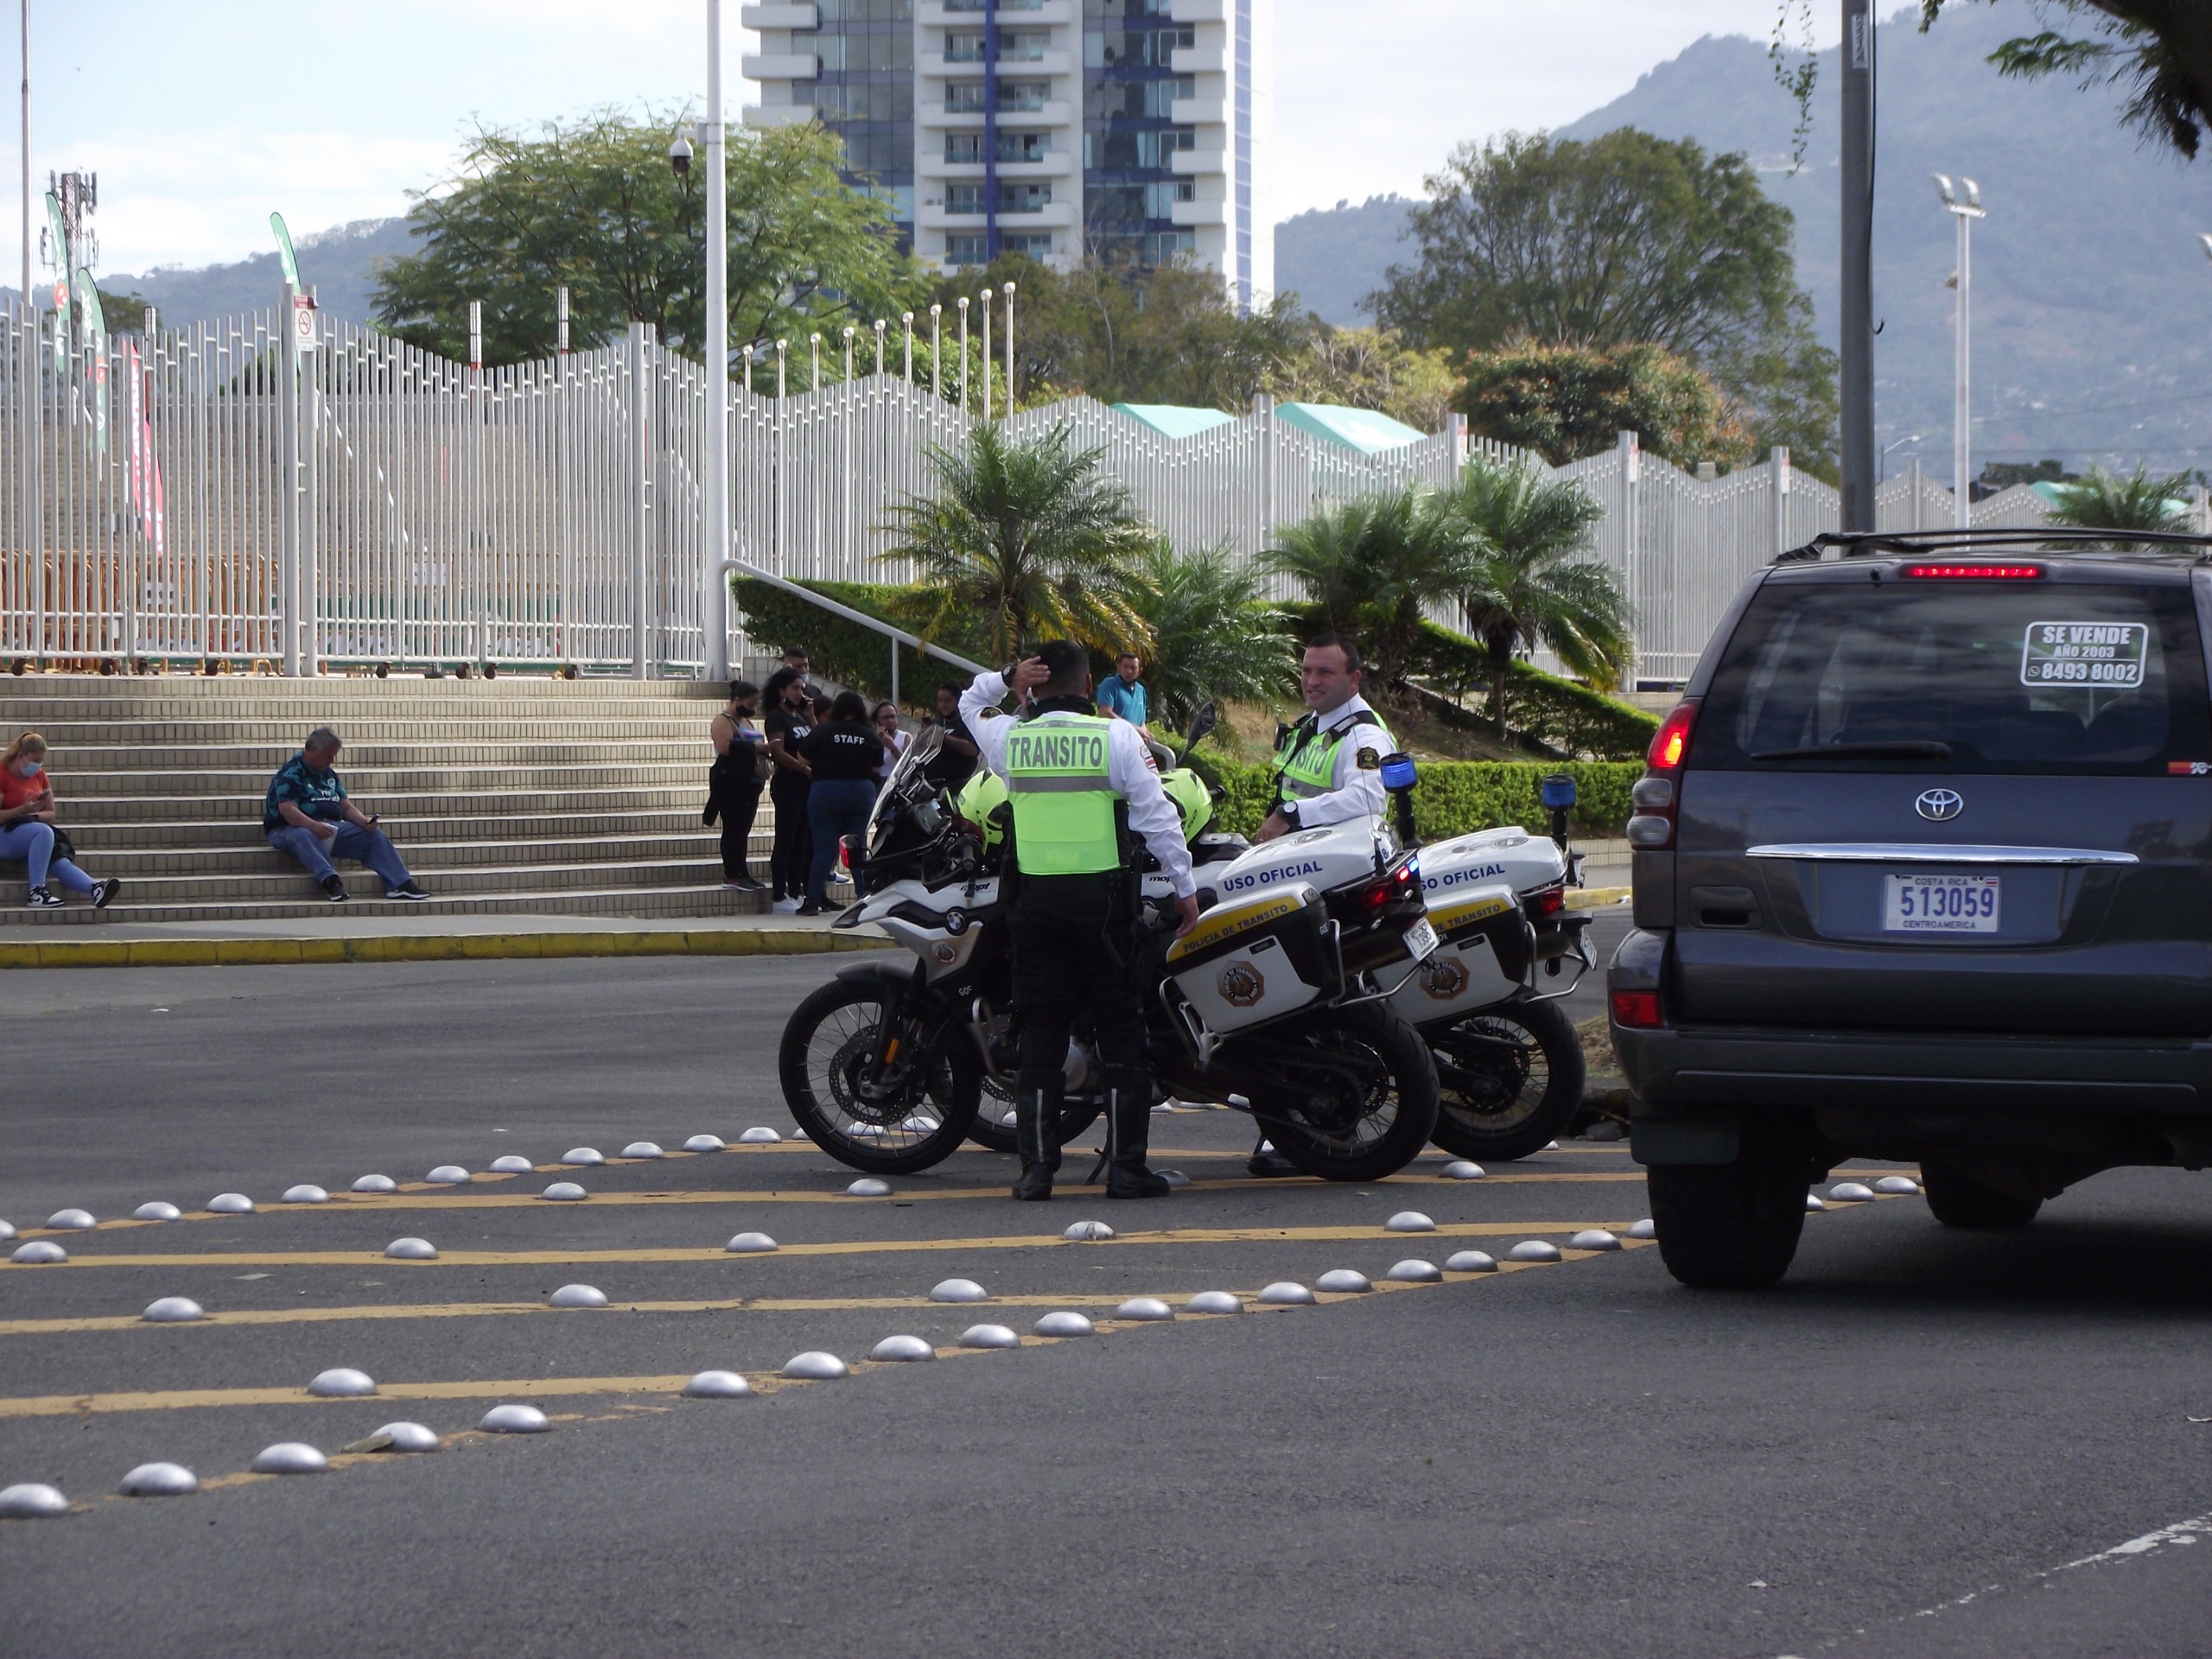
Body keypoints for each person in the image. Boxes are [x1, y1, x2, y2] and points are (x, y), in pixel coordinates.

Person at [962, 641, 1198, 1202]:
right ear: (1090, 685)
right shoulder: (1115, 738)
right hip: (1103, 908)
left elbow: (970, 705)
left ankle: (1037, 1171)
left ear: (1031, 686)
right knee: (1121, 1033)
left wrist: (1003, 677)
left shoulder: (1010, 739)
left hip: (1034, 908)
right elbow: (1159, 817)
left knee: (1041, 1034)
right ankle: (1126, 1169)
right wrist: (1185, 890)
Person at [1247, 632, 1397, 1174]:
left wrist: (1291, 813)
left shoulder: (1363, 736)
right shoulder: (1317, 726)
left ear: (1354, 679)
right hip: (1300, 876)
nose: (1311, 681)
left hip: (1335, 886)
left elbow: (1367, 796)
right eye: (1307, 671)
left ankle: (1312, 1123)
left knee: (1308, 1006)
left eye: (1325, 673)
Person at [264, 728, 429, 903]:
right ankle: (331, 882)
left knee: (372, 835)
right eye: (328, 755)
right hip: (288, 828)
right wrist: (314, 826)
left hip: (328, 827)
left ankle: (400, 883)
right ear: (313, 751)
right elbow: (288, 810)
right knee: (303, 834)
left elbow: (346, 807)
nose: (331, 760)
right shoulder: (291, 772)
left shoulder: (329, 775)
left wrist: (364, 822)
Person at [1, 733, 121, 910]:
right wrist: (22, 810)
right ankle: (36, 892)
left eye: (41, 761)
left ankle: (95, 889)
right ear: (21, 756)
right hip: (5, 835)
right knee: (43, 832)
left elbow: (50, 813)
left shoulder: (39, 775)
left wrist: (34, 815)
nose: (38, 766)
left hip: (29, 831)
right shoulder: (3, 774)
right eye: (35, 760)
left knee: (58, 859)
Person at [795, 691, 883, 916]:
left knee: (824, 849)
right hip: (861, 791)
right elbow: (876, 768)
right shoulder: (869, 733)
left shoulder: (825, 730)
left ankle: (812, 901)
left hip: (826, 790)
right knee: (857, 848)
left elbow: (802, 758)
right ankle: (864, 898)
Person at [760, 667, 816, 912]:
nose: (799, 692)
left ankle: (796, 891)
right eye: (795, 687)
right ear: (782, 690)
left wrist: (811, 715)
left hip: (806, 786)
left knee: (802, 840)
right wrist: (802, 768)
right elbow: (778, 752)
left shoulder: (801, 716)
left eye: (802, 688)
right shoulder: (777, 717)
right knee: (787, 838)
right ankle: (779, 894)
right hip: (787, 784)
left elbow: (817, 738)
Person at [706, 681, 767, 891]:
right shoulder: (723, 720)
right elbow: (724, 747)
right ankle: (731, 873)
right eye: (749, 704)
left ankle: (743, 871)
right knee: (733, 828)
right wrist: (755, 747)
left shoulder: (747, 722)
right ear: (737, 700)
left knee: (743, 829)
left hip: (750, 782)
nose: (751, 709)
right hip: (732, 782)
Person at [919, 680, 980, 795]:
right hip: (926, 783)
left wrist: (942, 736)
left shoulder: (967, 723)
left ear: (958, 701)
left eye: (947, 701)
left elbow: (972, 750)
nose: (943, 705)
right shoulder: (939, 722)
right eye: (940, 700)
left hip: (950, 789)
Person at [1096, 651, 1149, 731]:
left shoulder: (1141, 690)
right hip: (1114, 739)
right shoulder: (1110, 684)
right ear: (1119, 667)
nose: (1129, 671)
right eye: (1125, 666)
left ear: (1139, 671)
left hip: (1134, 741)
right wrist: (1135, 729)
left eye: (1133, 668)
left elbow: (1142, 722)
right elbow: (1105, 713)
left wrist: (1144, 732)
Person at [870, 700, 910, 782]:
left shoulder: (905, 737)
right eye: (885, 718)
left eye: (893, 717)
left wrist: (892, 747)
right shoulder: (871, 739)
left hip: (896, 782)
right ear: (877, 721)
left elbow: (909, 765)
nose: (890, 720)